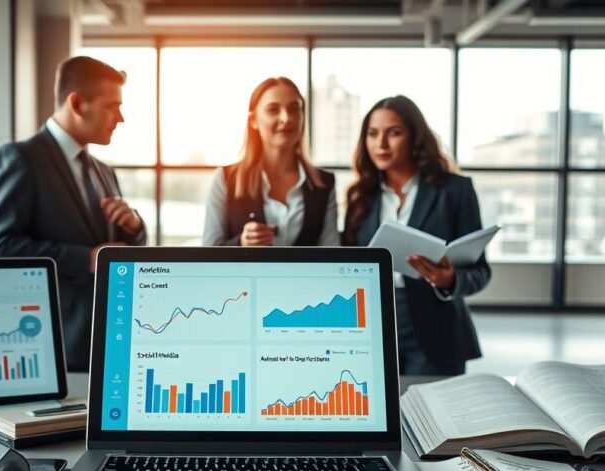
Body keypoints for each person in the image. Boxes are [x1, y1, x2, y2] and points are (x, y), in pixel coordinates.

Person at [0, 56, 146, 371]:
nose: (120, 118)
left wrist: (133, 226)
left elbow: (118, 249)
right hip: (57, 342)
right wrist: (87, 259)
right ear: (77, 103)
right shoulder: (20, 158)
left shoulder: (102, 170)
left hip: (111, 337)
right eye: (112, 106)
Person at [343, 96, 491, 376]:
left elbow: (481, 271)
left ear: (415, 137)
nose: (381, 144)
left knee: (432, 416)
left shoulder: (454, 191)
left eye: (394, 133)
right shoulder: (360, 197)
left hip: (436, 326)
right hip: (372, 324)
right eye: (373, 134)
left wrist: (449, 280)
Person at [202, 77, 338, 247]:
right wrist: (241, 243)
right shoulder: (225, 179)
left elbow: (332, 252)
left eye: (294, 109)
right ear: (253, 121)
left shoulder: (324, 184)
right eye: (273, 110)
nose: (286, 118)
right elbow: (209, 252)